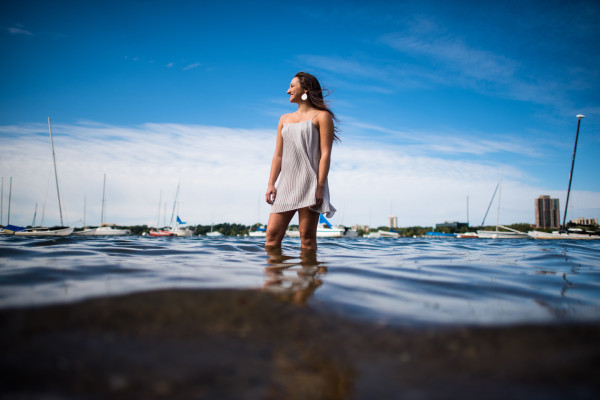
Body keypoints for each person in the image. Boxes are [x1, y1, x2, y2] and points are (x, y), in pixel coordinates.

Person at [265, 72, 339, 250]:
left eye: (292, 86)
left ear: (305, 89)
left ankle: (308, 277)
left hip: (310, 183)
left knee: (306, 239)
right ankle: (273, 277)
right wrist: (271, 183)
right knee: (271, 238)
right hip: (286, 184)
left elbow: (325, 155)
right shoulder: (284, 119)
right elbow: (278, 155)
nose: (287, 90)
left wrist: (320, 187)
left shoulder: (322, 117)